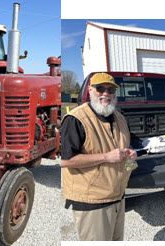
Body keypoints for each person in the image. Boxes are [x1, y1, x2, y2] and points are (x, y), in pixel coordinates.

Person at [60, 72, 136, 241]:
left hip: (118, 197)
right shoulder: (76, 119)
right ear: (90, 90)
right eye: (100, 88)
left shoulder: (120, 118)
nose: (105, 94)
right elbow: (65, 160)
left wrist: (131, 154)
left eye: (110, 90)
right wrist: (106, 157)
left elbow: (124, 149)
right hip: (92, 203)